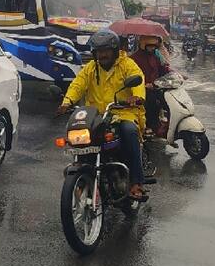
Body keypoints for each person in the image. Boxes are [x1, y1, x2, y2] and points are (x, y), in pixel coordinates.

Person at [56, 30, 147, 199]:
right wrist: (67, 102)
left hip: (123, 112)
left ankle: (136, 181)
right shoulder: (91, 68)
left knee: (129, 132)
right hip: (96, 116)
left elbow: (137, 78)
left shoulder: (127, 65)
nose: (102, 55)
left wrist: (137, 97)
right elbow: (78, 85)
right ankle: (83, 173)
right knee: (80, 137)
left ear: (114, 51)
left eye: (106, 50)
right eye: (99, 51)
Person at [131, 35, 171, 138]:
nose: (152, 48)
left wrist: (174, 74)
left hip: (156, 86)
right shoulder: (134, 58)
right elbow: (132, 75)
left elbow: (163, 69)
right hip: (143, 89)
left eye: (154, 46)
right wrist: (144, 85)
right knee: (151, 103)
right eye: (150, 46)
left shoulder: (156, 56)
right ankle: (149, 127)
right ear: (143, 45)